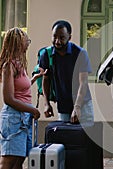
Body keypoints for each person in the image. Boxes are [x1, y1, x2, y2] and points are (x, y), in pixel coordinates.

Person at [0, 27, 42, 169]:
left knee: (19, 159)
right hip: (13, 119)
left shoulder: (20, 64)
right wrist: (32, 109)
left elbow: (20, 88)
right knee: (9, 160)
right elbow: (9, 98)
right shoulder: (9, 66)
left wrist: (33, 79)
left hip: (23, 117)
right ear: (18, 43)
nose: (28, 43)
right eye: (26, 41)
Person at [39, 20, 94, 125]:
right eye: (54, 37)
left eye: (62, 38)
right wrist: (46, 104)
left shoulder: (80, 53)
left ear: (69, 37)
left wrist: (77, 107)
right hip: (63, 106)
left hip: (83, 105)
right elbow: (46, 80)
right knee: (65, 138)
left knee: (85, 139)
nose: (57, 41)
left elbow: (83, 82)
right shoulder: (46, 54)